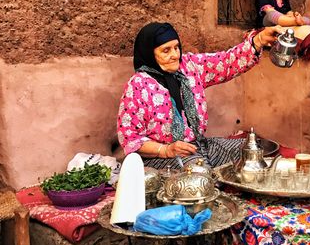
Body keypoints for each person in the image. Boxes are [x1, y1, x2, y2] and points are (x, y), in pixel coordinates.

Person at [117, 22, 279, 172]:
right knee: (199, 176)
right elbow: (130, 139)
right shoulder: (138, 86)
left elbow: (226, 62)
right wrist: (165, 150)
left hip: (198, 146)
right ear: (149, 53)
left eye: (176, 47)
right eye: (166, 50)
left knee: (252, 153)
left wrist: (259, 40)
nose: (175, 55)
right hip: (162, 157)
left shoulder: (189, 67)